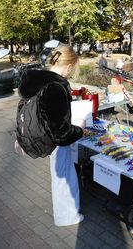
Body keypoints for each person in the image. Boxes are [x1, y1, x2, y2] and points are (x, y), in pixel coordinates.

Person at [18, 44, 84, 226]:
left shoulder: (35, 79)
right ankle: (67, 216)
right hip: (53, 141)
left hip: (40, 135)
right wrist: (80, 130)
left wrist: (20, 136)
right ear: (69, 65)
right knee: (64, 178)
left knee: (61, 176)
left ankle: (66, 214)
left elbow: (24, 110)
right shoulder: (57, 86)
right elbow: (61, 134)